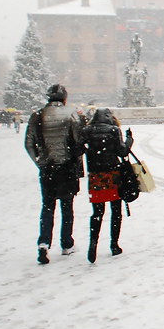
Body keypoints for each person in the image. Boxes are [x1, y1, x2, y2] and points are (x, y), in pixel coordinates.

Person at [25, 84, 83, 264]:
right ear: (64, 98)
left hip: (47, 168)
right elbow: (78, 143)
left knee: (48, 206)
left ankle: (43, 242)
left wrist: (40, 162)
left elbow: (28, 143)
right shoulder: (71, 114)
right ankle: (66, 243)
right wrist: (78, 167)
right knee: (67, 207)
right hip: (65, 167)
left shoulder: (37, 116)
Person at [81, 108, 134, 263]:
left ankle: (93, 242)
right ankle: (114, 244)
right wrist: (129, 139)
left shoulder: (87, 130)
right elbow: (123, 152)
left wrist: (90, 151)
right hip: (112, 174)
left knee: (97, 212)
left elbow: (77, 148)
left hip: (96, 176)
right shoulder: (113, 130)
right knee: (115, 211)